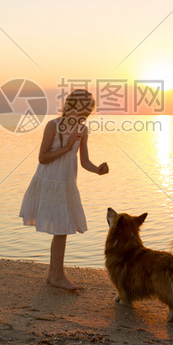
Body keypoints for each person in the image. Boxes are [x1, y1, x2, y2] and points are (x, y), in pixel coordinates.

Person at [19, 89, 109, 290]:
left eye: (87, 111)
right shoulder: (53, 126)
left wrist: (98, 170)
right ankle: (57, 277)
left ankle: (54, 275)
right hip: (50, 181)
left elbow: (84, 162)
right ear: (70, 106)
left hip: (67, 183)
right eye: (82, 109)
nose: (84, 115)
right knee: (61, 229)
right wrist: (67, 146)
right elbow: (42, 158)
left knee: (61, 229)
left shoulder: (83, 130)